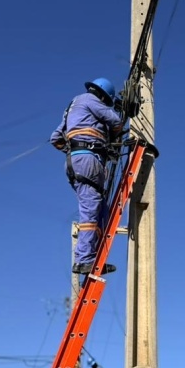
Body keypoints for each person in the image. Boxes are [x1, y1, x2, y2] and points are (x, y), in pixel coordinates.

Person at [50, 77, 125, 275]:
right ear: (103, 95)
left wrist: (77, 146)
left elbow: (55, 139)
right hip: (88, 161)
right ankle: (84, 259)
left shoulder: (72, 109)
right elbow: (117, 122)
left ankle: (95, 257)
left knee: (101, 211)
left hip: (74, 162)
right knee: (92, 209)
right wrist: (109, 138)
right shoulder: (89, 100)